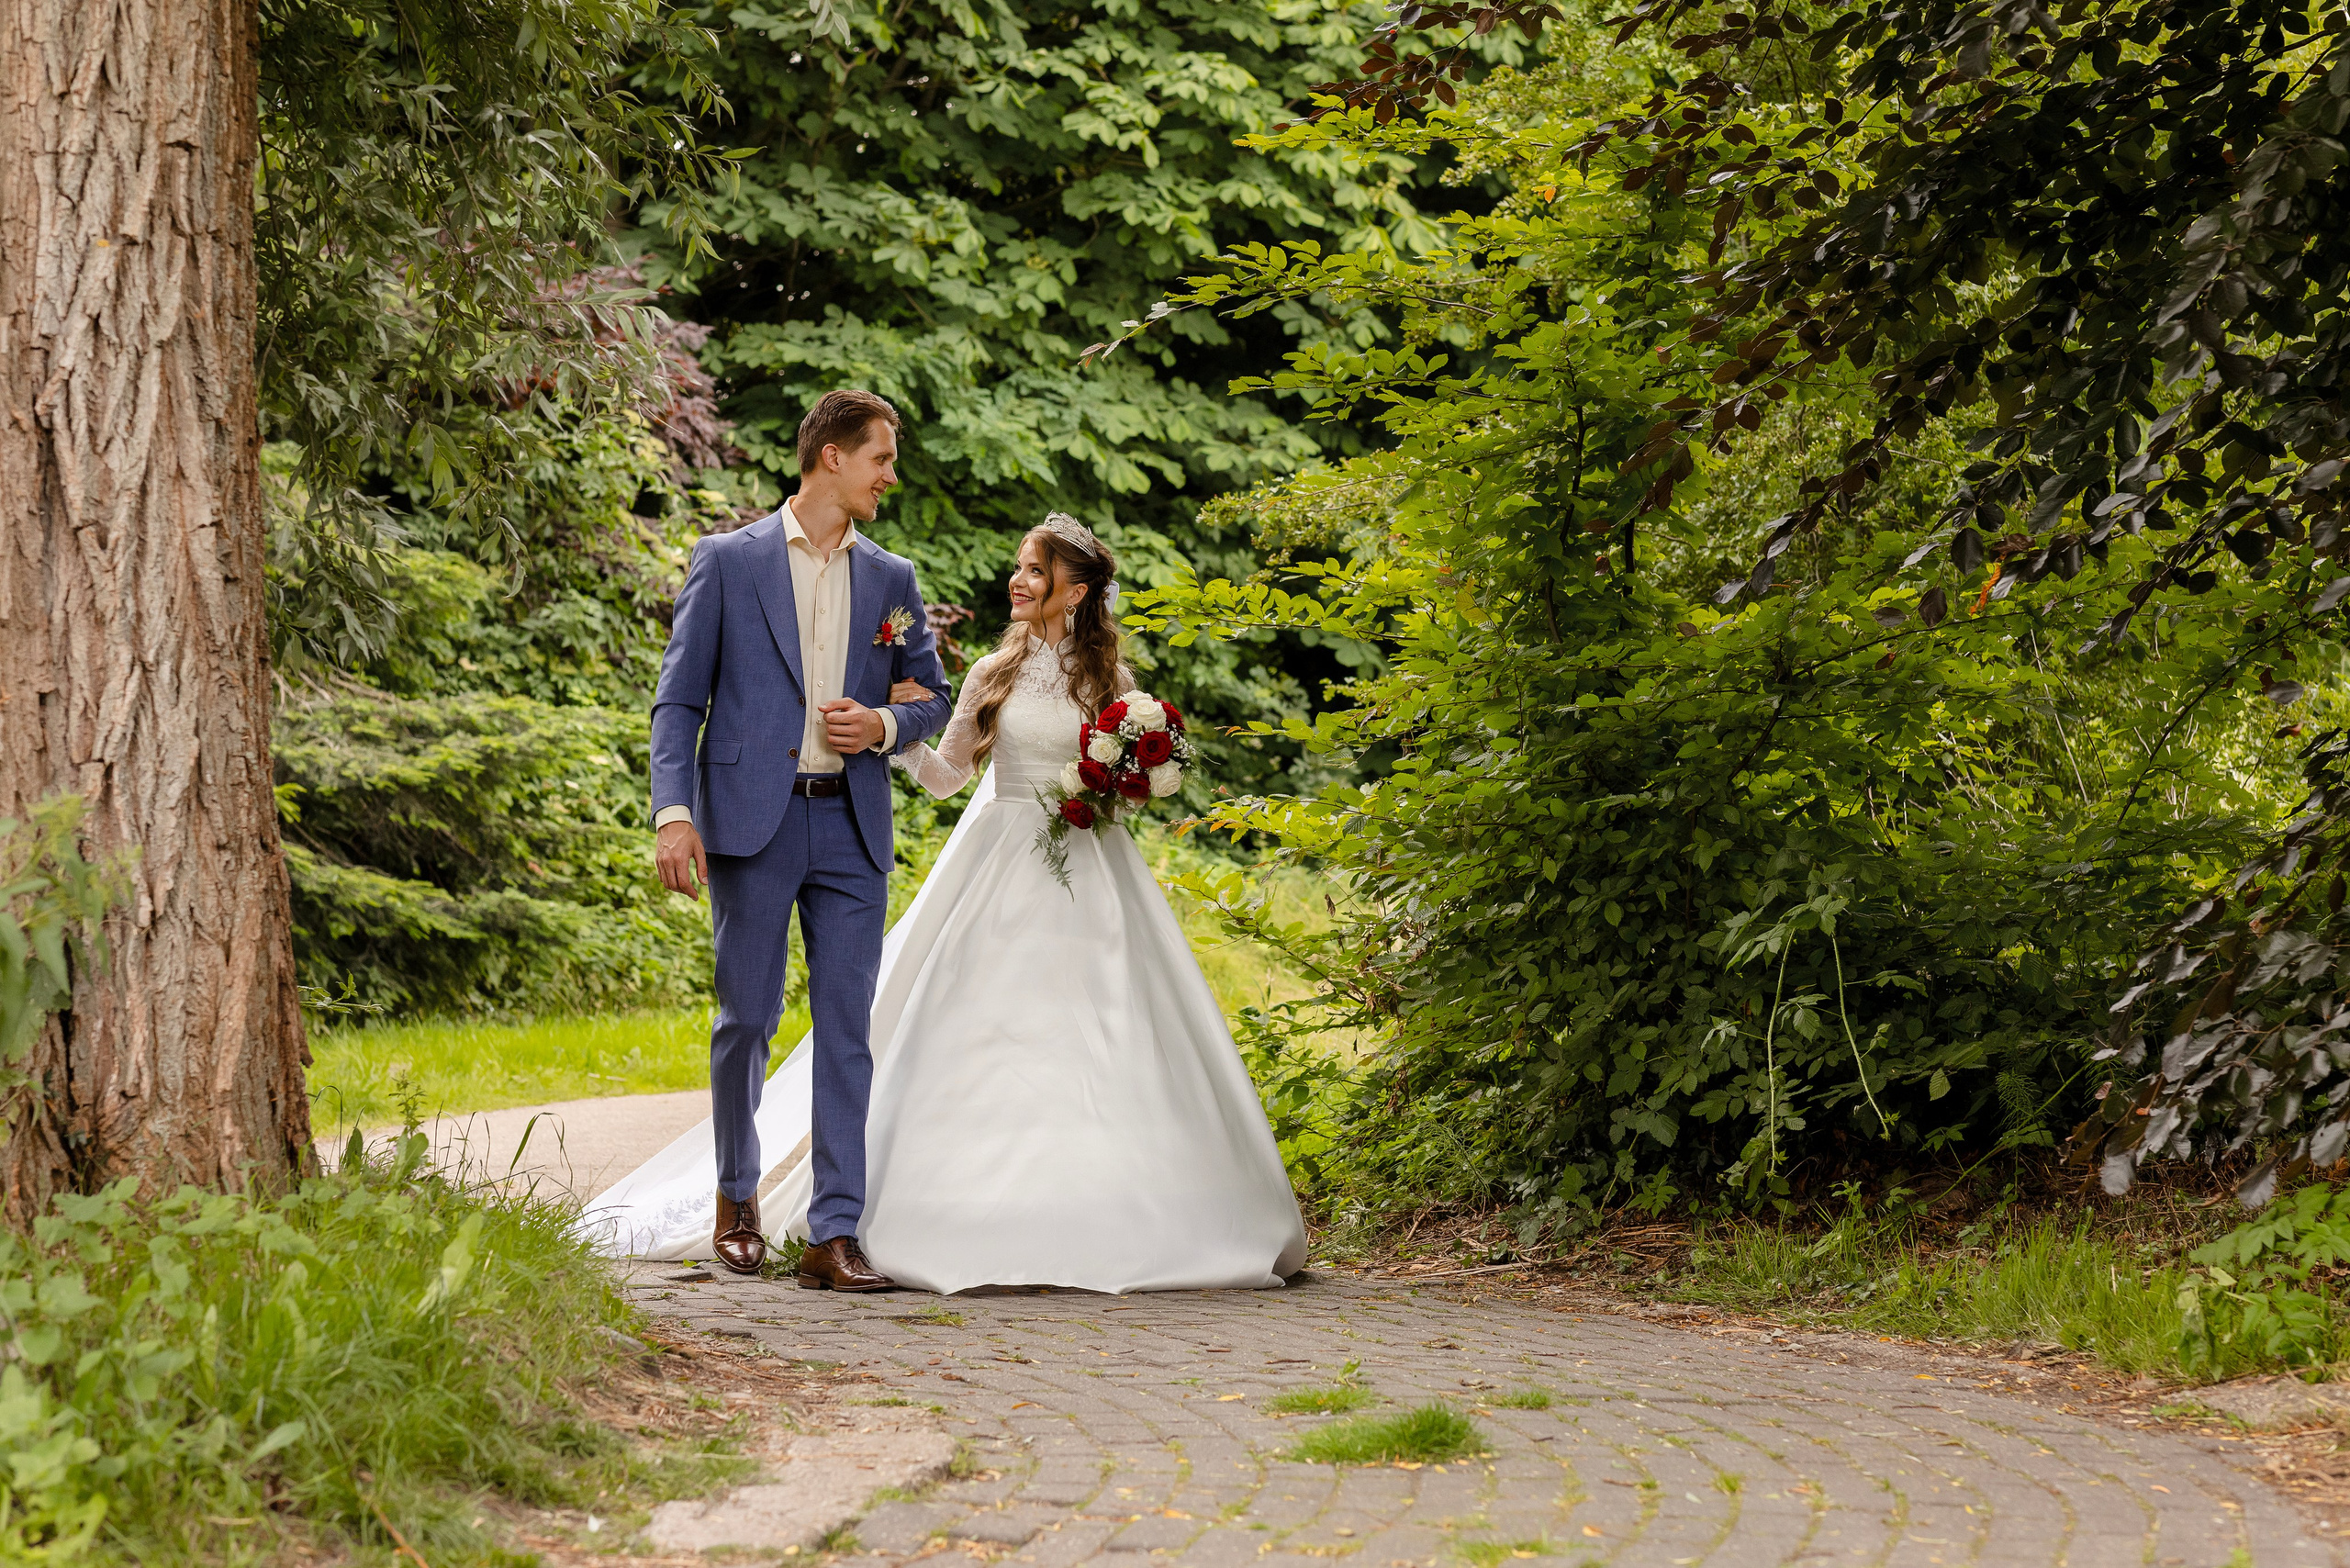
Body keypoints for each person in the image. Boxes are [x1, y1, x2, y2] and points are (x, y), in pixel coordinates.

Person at [591, 515, 1307, 1294]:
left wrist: (1122, 780)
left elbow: (1131, 788)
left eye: (1034, 570)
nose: (1018, 581)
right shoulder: (993, 672)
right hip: (1002, 865)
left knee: (1105, 1029)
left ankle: (1106, 1207)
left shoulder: (1114, 685)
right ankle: (935, 1211)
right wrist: (893, 734)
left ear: (1075, 591)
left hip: (1092, 869)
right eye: (1019, 566)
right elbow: (946, 777)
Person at [646, 388, 953, 1290]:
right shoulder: (727, 561)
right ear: (831, 456)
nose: (890, 477)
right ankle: (736, 1198)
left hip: (852, 826)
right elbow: (679, 701)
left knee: (848, 1027)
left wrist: (884, 726)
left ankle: (833, 1232)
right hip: (752, 822)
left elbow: (931, 695)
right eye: (881, 459)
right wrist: (674, 813)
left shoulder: (892, 578)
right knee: (746, 1017)